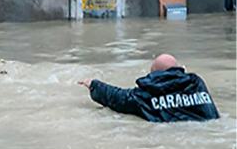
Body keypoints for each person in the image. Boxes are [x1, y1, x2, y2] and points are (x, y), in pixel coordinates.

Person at [78, 54, 220, 122]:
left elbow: (119, 98)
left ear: (154, 74)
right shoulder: (196, 83)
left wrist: (93, 84)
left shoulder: (147, 93)